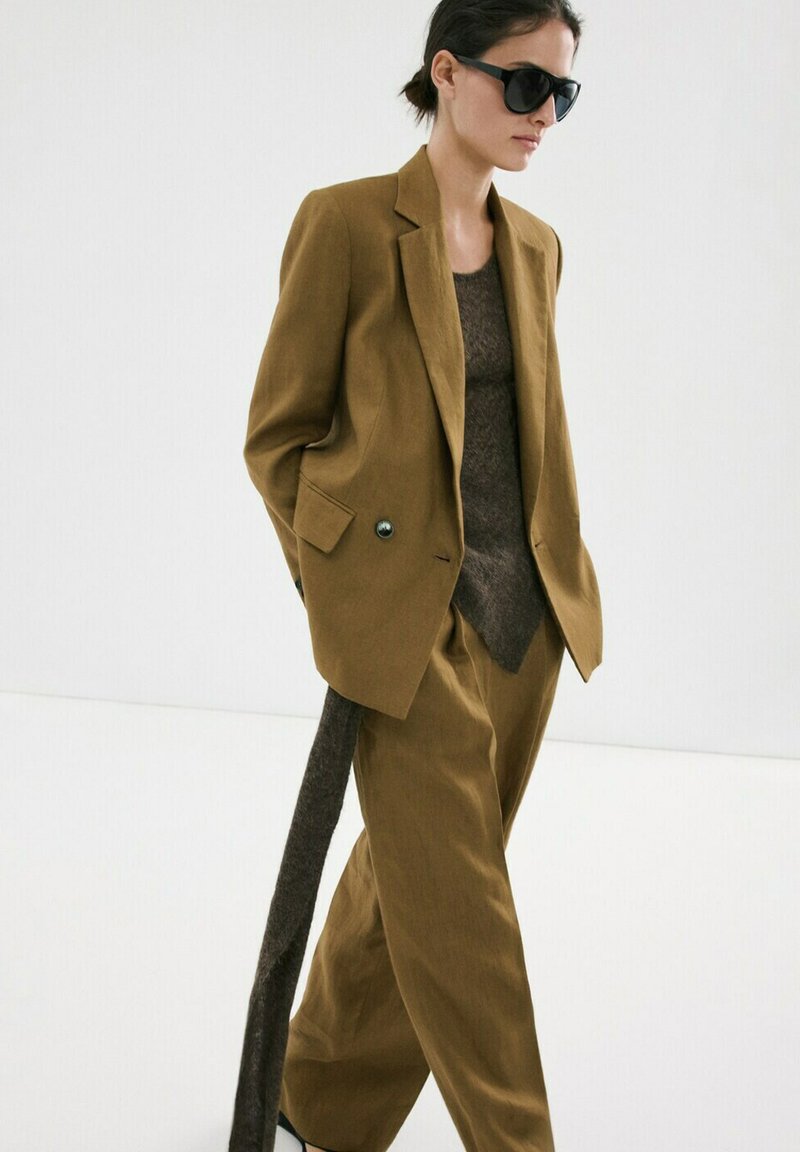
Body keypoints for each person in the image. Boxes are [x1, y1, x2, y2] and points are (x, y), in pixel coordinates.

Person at [228, 2, 603, 1151]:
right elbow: (278, 437)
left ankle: (318, 1100)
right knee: (466, 915)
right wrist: (346, 592)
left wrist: (552, 581)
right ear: (445, 70)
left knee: (416, 880)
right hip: (405, 623)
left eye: (561, 93)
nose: (543, 115)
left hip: (524, 617)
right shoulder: (345, 223)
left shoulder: (534, 247)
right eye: (523, 85)